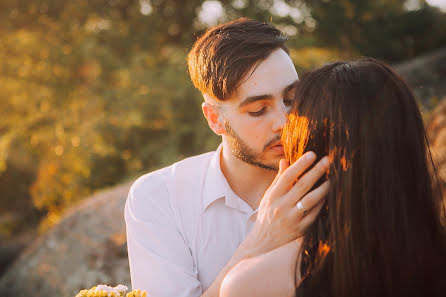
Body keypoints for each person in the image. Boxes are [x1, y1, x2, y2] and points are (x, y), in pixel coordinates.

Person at [124, 18, 329, 297]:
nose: (285, 121)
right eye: (258, 110)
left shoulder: (330, 176)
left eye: (291, 99)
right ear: (215, 119)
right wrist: (262, 240)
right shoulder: (159, 199)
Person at [220, 58, 446, 297]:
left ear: (309, 148)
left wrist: (261, 240)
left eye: (289, 107)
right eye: (258, 111)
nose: (280, 127)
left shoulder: (254, 285)